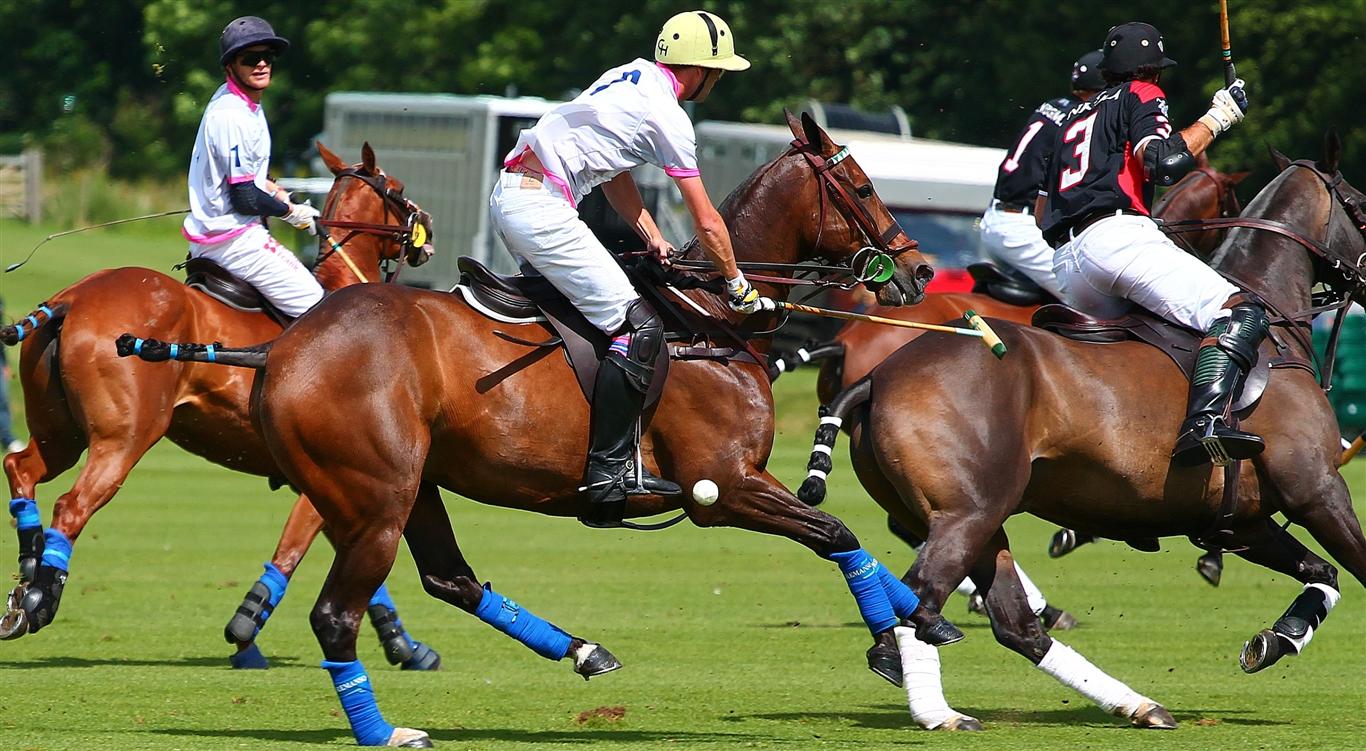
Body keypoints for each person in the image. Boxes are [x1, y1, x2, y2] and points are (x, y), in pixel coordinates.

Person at [489, 10, 769, 528]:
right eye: (719, 71)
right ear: (700, 70)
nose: (719, 80)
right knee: (638, 327)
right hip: (542, 206)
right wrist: (736, 284)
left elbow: (615, 175)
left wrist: (653, 236)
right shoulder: (669, 117)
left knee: (587, 321)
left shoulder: (630, 75)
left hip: (517, 195)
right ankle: (608, 471)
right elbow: (707, 222)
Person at [1040, 22, 1258, 466]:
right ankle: (1206, 424)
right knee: (1237, 312)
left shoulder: (1070, 117)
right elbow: (1164, 162)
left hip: (1066, 262)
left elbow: (1043, 212)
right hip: (1116, 242)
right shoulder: (1141, 93)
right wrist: (1219, 118)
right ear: (1151, 71)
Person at [182, 16, 323, 319]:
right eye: (250, 58)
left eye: (267, 57)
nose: (261, 65)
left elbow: (245, 174)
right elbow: (244, 198)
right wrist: (291, 213)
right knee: (318, 308)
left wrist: (272, 188)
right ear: (230, 66)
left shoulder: (240, 101)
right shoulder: (233, 114)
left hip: (226, 234)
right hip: (233, 240)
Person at [979, 50, 1105, 298]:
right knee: (1093, 299)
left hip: (998, 220)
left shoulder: (1052, 106)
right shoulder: (1082, 120)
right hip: (1024, 229)